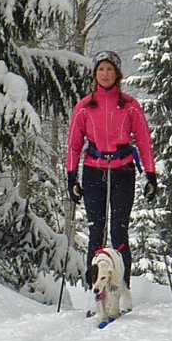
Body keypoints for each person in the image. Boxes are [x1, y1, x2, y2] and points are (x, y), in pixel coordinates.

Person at [65, 49, 159, 289]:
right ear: (95, 74)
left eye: (109, 69)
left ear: (117, 74)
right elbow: (74, 144)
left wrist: (150, 174)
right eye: (100, 69)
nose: (105, 74)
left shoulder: (130, 105)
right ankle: (94, 291)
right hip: (94, 171)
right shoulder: (85, 106)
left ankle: (121, 289)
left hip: (123, 171)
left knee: (119, 233)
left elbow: (144, 140)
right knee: (96, 233)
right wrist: (71, 177)